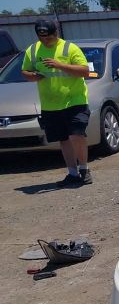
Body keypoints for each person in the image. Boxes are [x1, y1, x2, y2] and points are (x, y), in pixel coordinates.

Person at [21, 19, 93, 186]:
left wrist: (60, 65)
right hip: (50, 104)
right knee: (63, 139)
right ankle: (72, 173)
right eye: (42, 37)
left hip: (74, 101)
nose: (45, 41)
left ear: (56, 33)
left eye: (49, 37)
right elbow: (25, 71)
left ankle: (84, 169)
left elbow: (84, 71)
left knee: (77, 134)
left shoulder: (69, 48)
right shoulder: (32, 50)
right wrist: (32, 76)